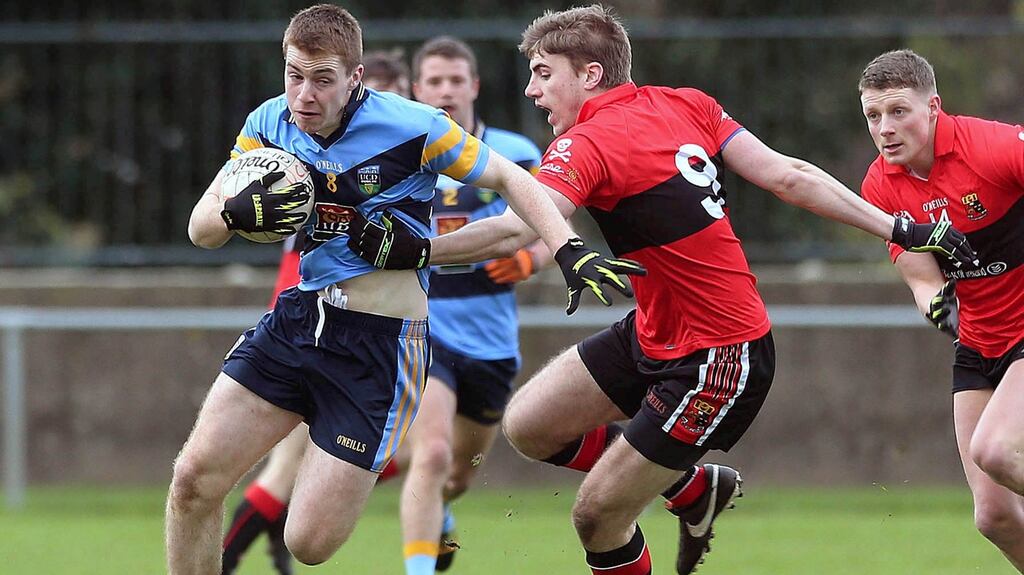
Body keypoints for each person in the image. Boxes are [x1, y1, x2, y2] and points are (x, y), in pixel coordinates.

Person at [347, 6, 978, 575]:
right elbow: (788, 176)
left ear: (590, 74)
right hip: (656, 328)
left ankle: (683, 493)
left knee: (596, 518)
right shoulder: (688, 102)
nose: (532, 90)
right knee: (530, 425)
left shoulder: (587, 142)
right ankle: (691, 490)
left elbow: (517, 226)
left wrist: (417, 250)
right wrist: (898, 225)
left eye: (543, 73)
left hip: (720, 355)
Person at [167, 5, 638, 574]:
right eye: (295, 75)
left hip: (380, 349)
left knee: (308, 544)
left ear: (355, 77)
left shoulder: (414, 126)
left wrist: (565, 247)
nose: (305, 96)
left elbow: (511, 179)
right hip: (299, 322)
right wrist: (239, 212)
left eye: (323, 79)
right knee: (193, 480)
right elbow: (202, 229)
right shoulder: (270, 123)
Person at [219, 49, 413, 575]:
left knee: (407, 457)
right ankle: (229, 556)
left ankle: (277, 539)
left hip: (384, 328)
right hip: (317, 316)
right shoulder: (299, 149)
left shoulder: (404, 149)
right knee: (283, 467)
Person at [858, 49, 1024, 573]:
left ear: (934, 107)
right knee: (994, 516)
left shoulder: (994, 147)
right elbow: (922, 276)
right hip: (977, 343)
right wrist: (937, 305)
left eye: (898, 111)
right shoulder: (880, 186)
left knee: (996, 451)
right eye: (873, 116)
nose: (885, 128)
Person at [398, 36, 549, 575]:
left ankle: (438, 520)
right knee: (432, 454)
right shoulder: (398, 156)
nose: (445, 91)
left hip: (492, 342)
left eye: (455, 80)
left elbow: (554, 232)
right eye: (434, 81)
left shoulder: (516, 154)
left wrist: (530, 261)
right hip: (424, 332)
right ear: (417, 89)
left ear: (474, 87)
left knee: (458, 474)